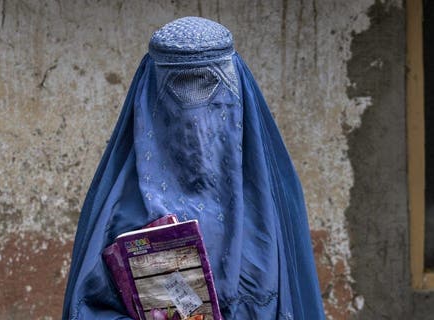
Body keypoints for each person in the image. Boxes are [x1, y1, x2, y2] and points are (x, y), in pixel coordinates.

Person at [62, 16, 325, 320]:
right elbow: (87, 308)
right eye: (177, 85)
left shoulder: (273, 202)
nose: (194, 114)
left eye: (207, 84)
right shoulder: (118, 204)